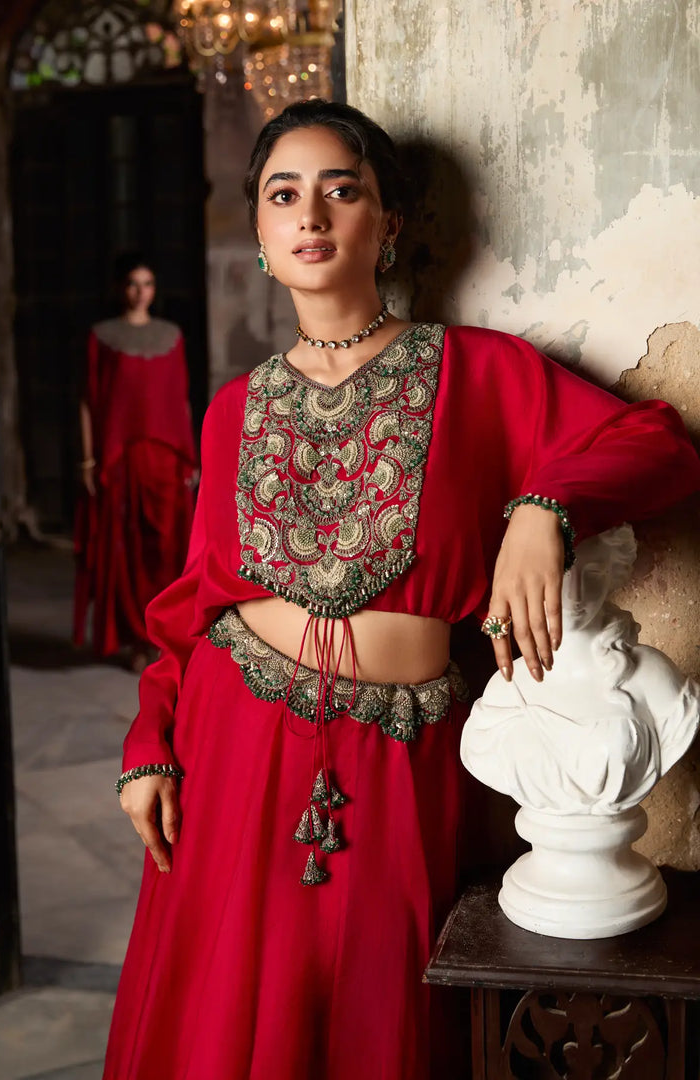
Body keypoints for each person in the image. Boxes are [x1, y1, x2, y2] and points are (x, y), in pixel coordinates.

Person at [103, 102, 700, 1080]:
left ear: (390, 224)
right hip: (231, 740)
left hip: (396, 757)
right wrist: (147, 746)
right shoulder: (231, 411)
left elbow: (656, 446)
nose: (312, 214)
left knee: (373, 1017)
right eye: (282, 194)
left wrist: (544, 506)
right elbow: (193, 603)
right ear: (258, 231)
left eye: (343, 190)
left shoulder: (480, 372)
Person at [73, 254, 197, 671]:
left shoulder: (172, 336)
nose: (140, 291)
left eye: (147, 283)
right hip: (120, 460)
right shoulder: (102, 336)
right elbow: (88, 401)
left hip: (165, 460)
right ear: (120, 288)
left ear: (155, 289)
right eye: (132, 282)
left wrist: (189, 459)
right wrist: (89, 459)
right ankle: (136, 641)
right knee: (125, 554)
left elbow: (179, 401)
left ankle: (164, 636)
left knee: (166, 550)